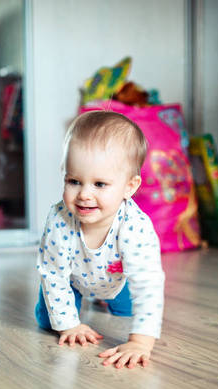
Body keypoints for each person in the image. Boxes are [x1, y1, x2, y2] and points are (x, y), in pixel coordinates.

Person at [35, 111, 165, 369]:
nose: (84, 194)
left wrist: (140, 342)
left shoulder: (135, 227)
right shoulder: (59, 220)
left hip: (117, 281)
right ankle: (74, 308)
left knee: (128, 312)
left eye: (100, 184)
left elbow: (148, 284)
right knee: (47, 320)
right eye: (74, 181)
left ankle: (106, 300)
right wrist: (69, 325)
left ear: (130, 186)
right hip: (71, 280)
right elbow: (53, 273)